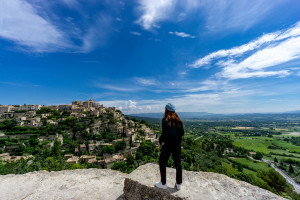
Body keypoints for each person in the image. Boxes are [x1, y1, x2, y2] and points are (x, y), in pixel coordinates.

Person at [155, 103, 184, 190]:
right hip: (177, 145)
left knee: (162, 162)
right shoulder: (179, 121)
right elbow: (182, 133)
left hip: (167, 145)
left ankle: (163, 183)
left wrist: (161, 141)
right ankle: (179, 184)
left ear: (166, 110)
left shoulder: (165, 120)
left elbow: (164, 134)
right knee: (178, 163)